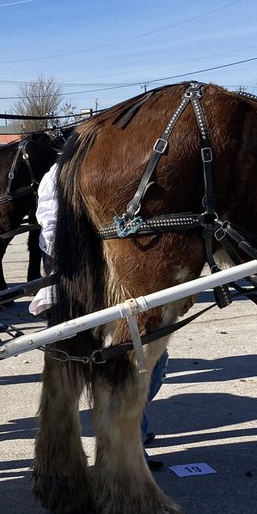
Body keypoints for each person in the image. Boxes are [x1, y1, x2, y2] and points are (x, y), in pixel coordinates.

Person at [28, 161, 168, 470]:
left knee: (150, 364)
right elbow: (51, 229)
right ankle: (121, 445)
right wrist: (85, 270)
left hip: (117, 281)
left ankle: (132, 438)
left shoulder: (122, 166)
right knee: (126, 366)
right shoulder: (60, 173)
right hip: (82, 286)